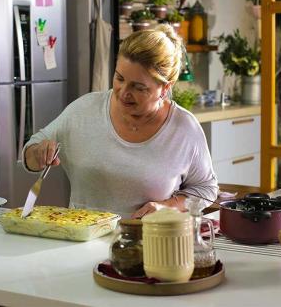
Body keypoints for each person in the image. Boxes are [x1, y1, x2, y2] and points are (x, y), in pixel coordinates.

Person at [23, 24, 218, 219]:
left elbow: (206, 189)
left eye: (138, 87)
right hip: (83, 243)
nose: (124, 93)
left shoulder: (184, 129)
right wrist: (38, 153)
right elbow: (30, 152)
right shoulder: (83, 110)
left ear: (165, 88)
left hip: (150, 243)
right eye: (119, 78)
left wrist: (168, 207)